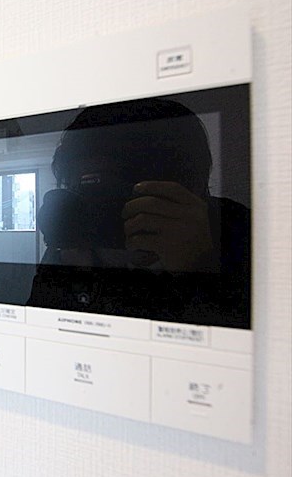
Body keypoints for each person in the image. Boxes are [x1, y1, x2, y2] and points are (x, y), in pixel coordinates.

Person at [27, 98, 250, 328]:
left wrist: (198, 269)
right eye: (83, 189)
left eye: (110, 190)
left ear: (183, 185)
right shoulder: (76, 234)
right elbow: (35, 329)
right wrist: (78, 275)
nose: (100, 208)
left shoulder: (236, 233)